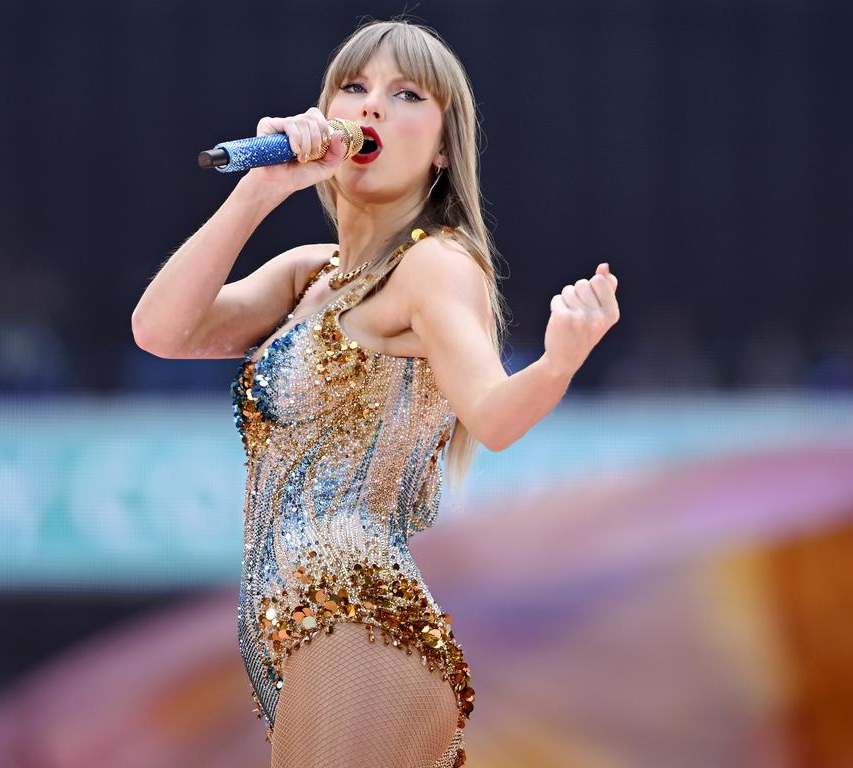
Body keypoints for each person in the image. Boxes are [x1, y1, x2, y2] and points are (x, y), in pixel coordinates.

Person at [132, 17, 620, 768]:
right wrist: (261, 191)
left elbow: (490, 415)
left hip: (357, 624)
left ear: (444, 146)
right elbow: (161, 329)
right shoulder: (308, 275)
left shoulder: (433, 269)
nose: (371, 108)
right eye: (354, 88)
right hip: (297, 639)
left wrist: (557, 363)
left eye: (405, 94)